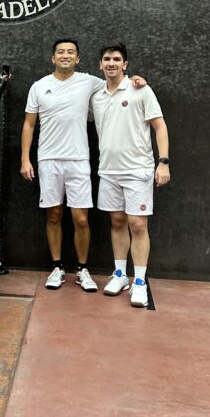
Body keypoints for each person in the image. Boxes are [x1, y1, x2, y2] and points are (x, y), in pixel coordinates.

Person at [21, 40, 145, 292]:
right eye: (60, 52)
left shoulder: (89, 82)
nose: (65, 56)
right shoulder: (39, 86)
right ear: (53, 58)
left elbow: (115, 82)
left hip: (78, 160)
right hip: (48, 160)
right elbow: (29, 124)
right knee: (53, 215)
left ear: (77, 59)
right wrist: (25, 158)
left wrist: (135, 80)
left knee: (80, 218)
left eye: (70, 52)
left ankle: (82, 270)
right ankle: (57, 268)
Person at [91, 42, 170, 308]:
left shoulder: (141, 89)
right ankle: (120, 274)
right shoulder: (96, 95)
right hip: (108, 170)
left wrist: (163, 162)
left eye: (116, 59)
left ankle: (139, 281)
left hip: (138, 170)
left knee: (137, 224)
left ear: (125, 65)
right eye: (107, 59)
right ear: (100, 65)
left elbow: (160, 127)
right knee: (117, 221)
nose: (111, 63)